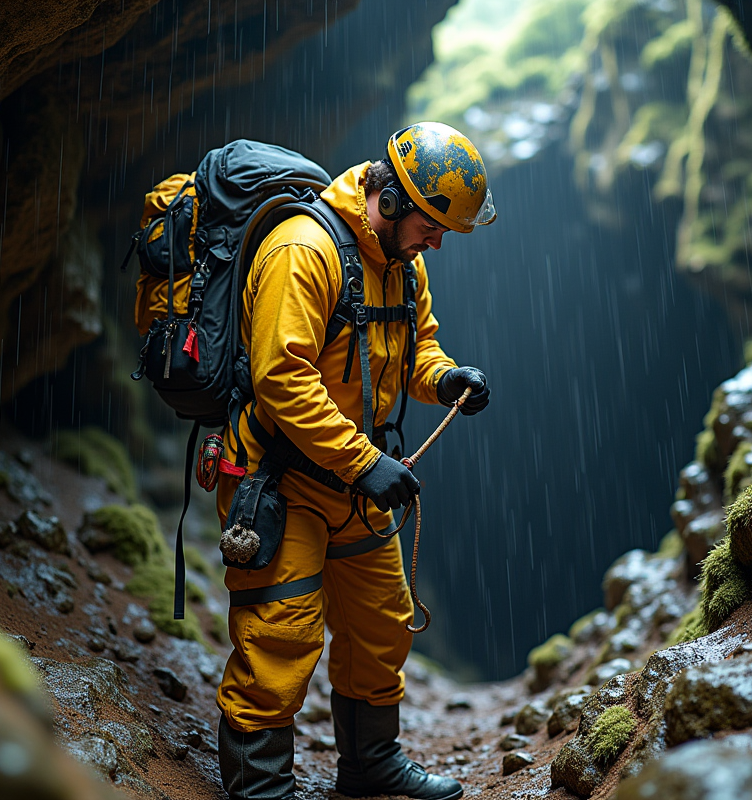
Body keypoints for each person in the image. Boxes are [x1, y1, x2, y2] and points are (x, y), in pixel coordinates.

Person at [215, 122, 495, 800]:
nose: (437, 242)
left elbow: (415, 348)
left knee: (381, 624)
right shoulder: (303, 251)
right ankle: (260, 788)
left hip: (356, 479)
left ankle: (369, 763)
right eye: (433, 226)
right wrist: (362, 461)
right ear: (393, 202)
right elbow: (282, 379)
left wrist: (446, 377)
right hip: (280, 478)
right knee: (280, 633)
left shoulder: (404, 265)